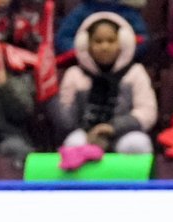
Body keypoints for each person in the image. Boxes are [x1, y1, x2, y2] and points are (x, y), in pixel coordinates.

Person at [52, 14, 157, 168]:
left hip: (123, 133)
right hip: (86, 133)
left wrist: (112, 128)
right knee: (73, 143)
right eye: (98, 41)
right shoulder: (74, 74)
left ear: (122, 42)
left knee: (137, 144)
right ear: (86, 44)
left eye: (111, 41)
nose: (104, 47)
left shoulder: (135, 72)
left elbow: (147, 112)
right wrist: (51, 97)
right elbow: (66, 120)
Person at [56, 0, 149, 54]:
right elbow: (64, 37)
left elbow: (141, 39)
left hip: (123, 65)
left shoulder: (127, 11)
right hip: (84, 64)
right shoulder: (83, 10)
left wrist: (123, 52)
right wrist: (83, 51)